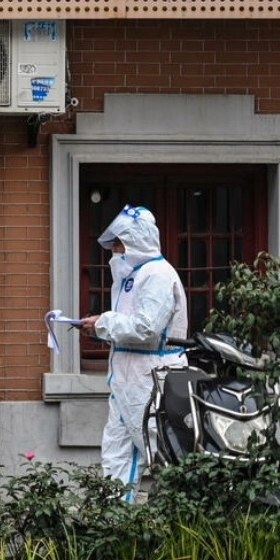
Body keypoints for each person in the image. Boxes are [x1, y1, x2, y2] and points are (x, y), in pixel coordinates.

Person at [79, 205, 188, 497]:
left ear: (137, 239)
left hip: (153, 380)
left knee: (164, 453)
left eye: (120, 243)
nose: (115, 250)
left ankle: (181, 524)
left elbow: (146, 328)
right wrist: (100, 326)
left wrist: (103, 324)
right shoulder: (134, 277)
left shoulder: (157, 275)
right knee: (117, 455)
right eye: (114, 244)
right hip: (128, 381)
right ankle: (115, 524)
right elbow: (130, 328)